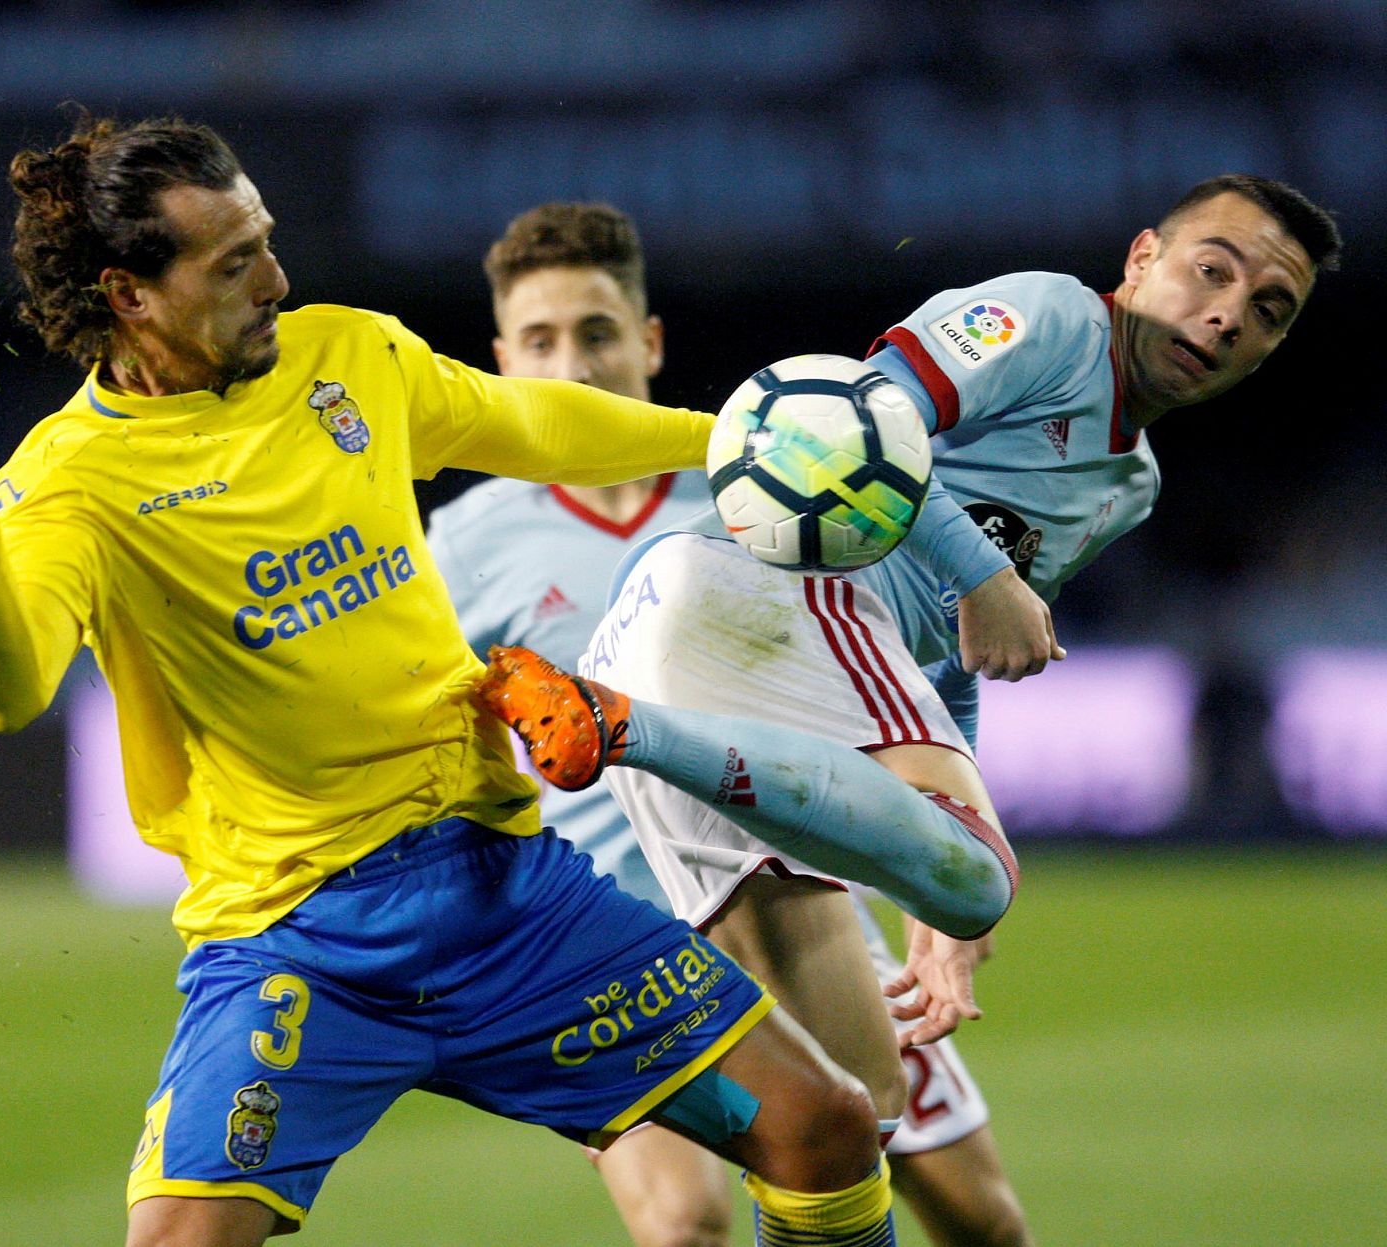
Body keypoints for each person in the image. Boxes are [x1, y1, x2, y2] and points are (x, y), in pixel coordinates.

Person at [0, 115, 953, 1247]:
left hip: (508, 897)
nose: (276, 279)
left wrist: (736, 444)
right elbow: (7, 687)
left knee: (823, 1126)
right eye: (234, 264)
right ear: (130, 294)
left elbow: (531, 419)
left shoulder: (348, 357)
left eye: (266, 241)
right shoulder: (70, 484)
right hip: (299, 940)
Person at [478, 172, 1340, 1241]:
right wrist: (985, 577)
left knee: (846, 1120)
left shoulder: (1128, 482)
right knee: (980, 877)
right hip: (763, 610)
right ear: (1140, 261)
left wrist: (923, 897)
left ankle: (631, 729)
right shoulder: (1052, 319)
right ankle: (623, 728)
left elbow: (946, 659)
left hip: (748, 677)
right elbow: (838, 424)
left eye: (1269, 309)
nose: (1228, 311)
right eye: (1214, 269)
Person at [431, 201, 1033, 1246]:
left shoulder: (764, 491)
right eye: (538, 340)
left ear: (650, 340)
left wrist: (933, 878)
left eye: (597, 330)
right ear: (497, 360)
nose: (570, 362)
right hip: (621, 945)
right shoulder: (465, 545)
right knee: (684, 1225)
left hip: (808, 908)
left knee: (980, 1222)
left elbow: (896, 672)